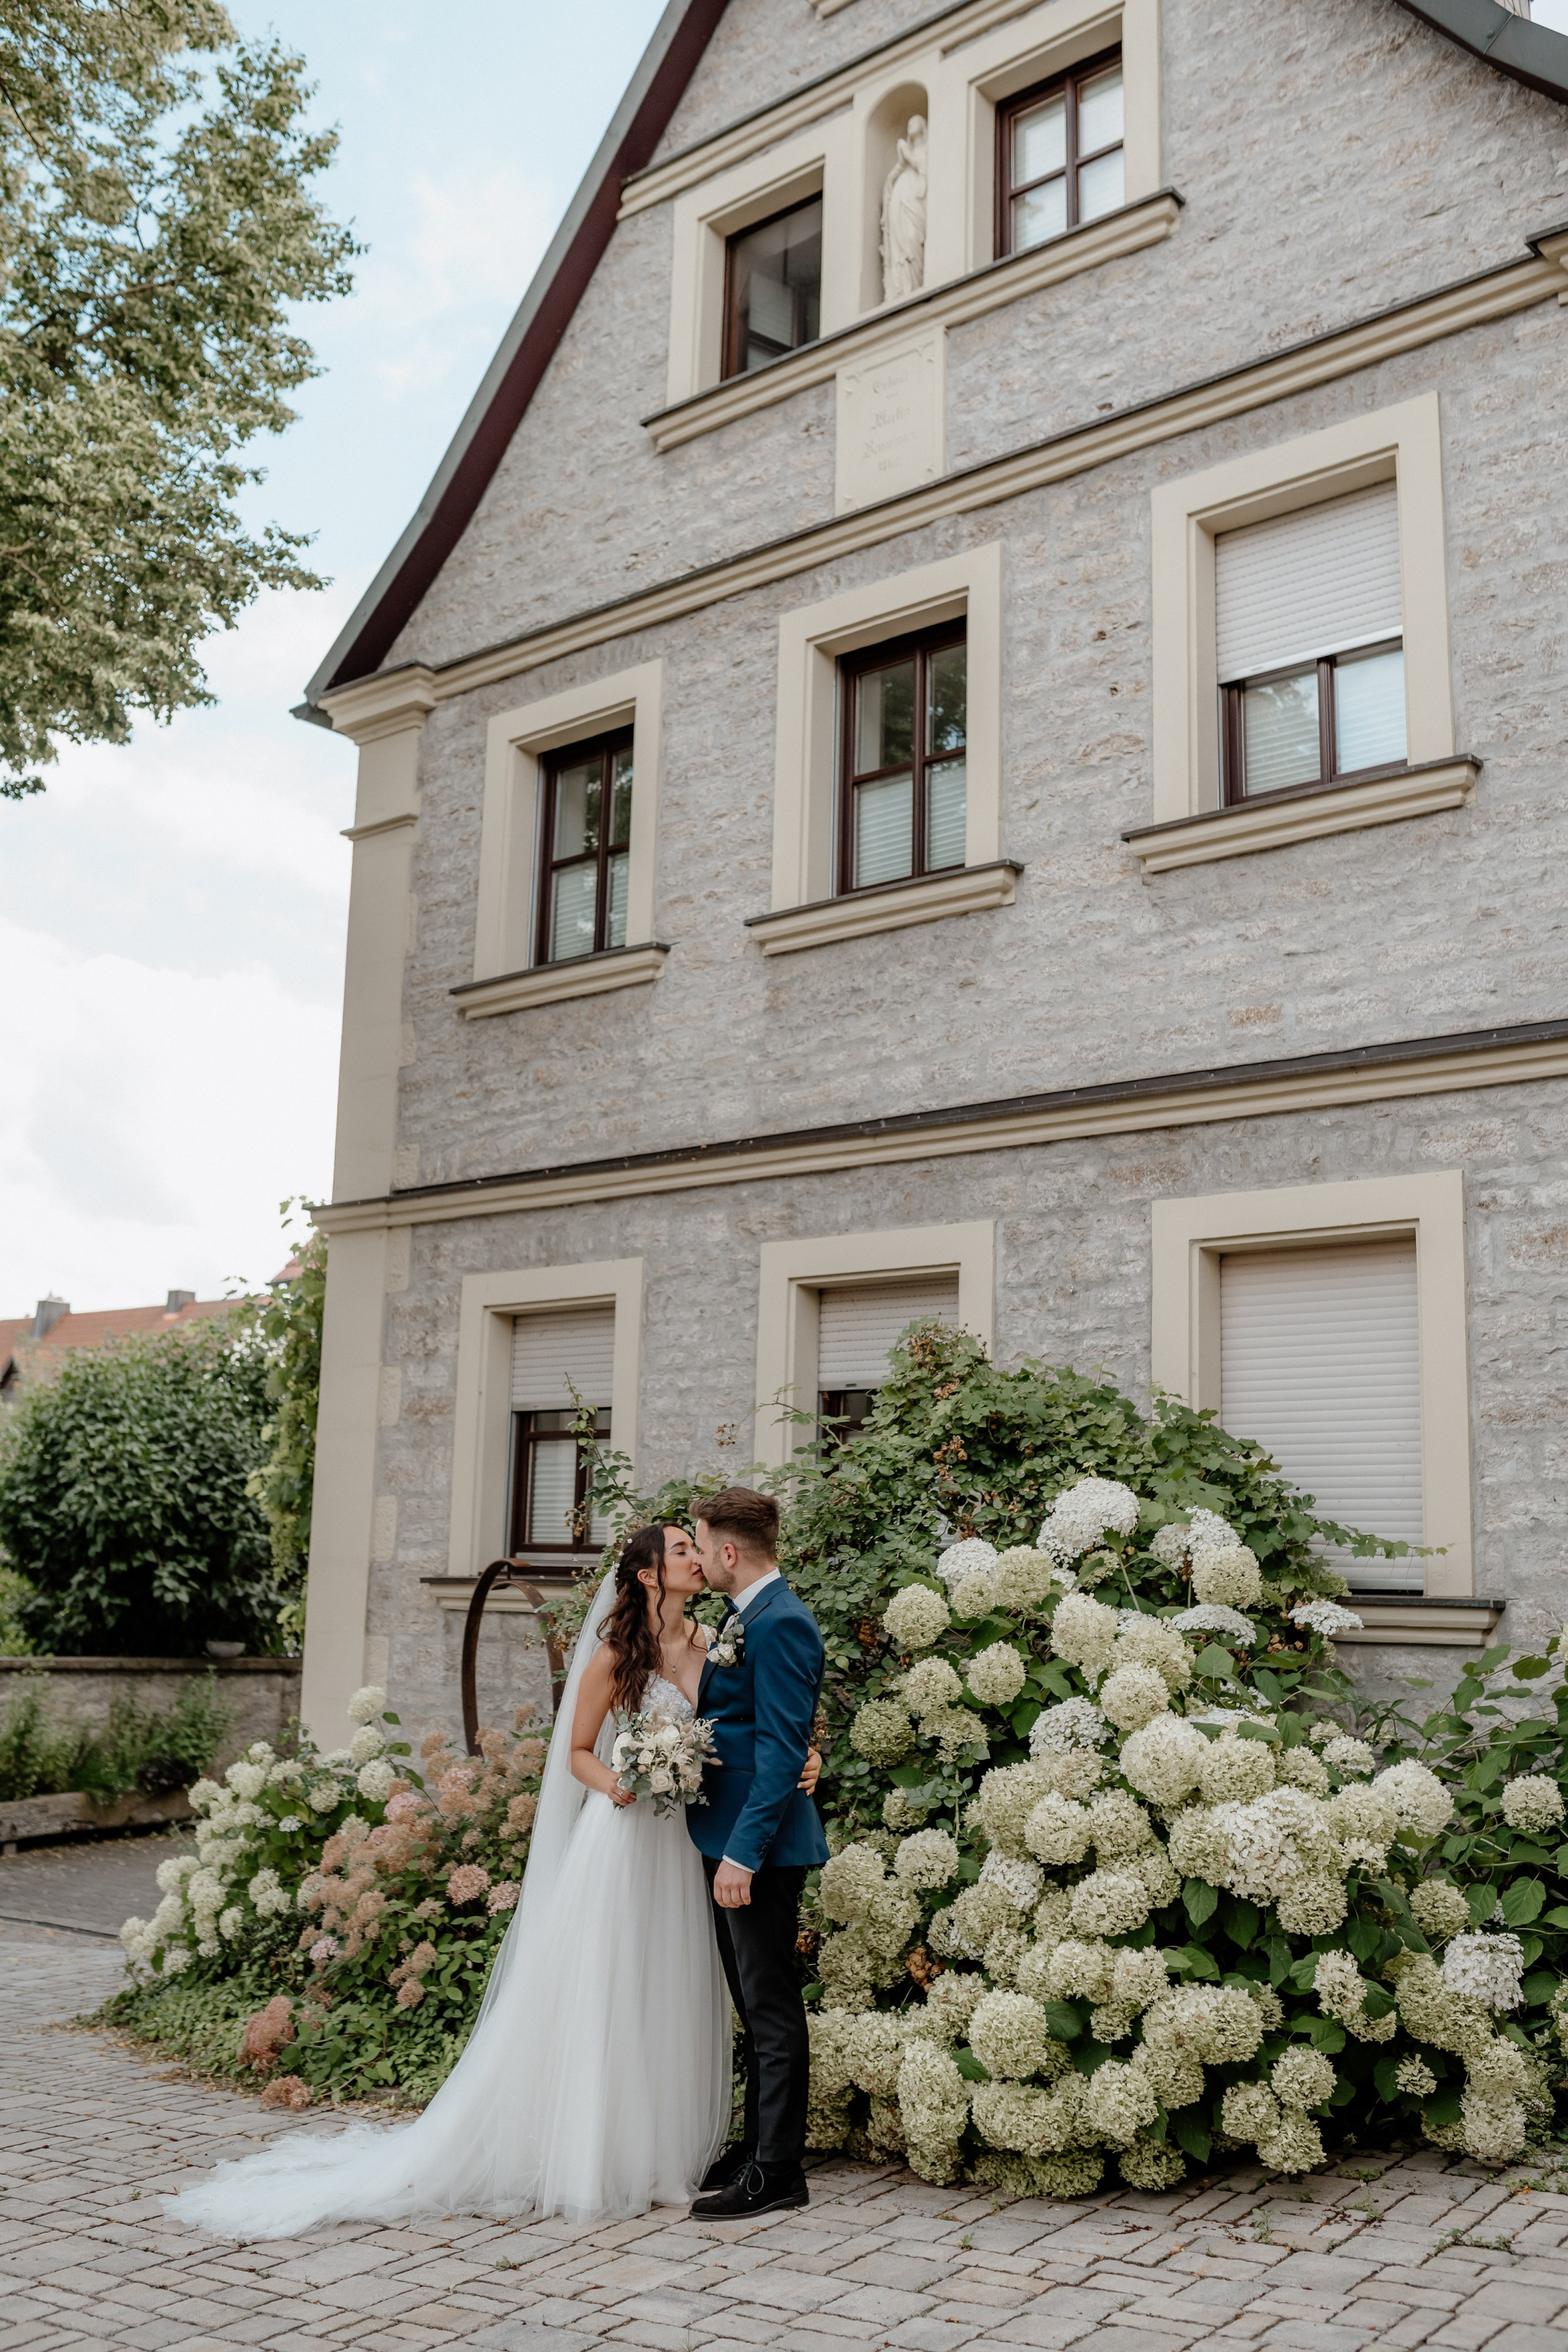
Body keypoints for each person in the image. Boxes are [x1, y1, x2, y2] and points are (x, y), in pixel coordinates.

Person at [165, 1522, 821, 2236]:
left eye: (698, 1547)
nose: (696, 1558)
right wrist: (618, 1782)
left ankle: (696, 2147)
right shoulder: (614, 1654)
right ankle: (605, 2150)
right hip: (628, 1831)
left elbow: (748, 1724)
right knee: (614, 1986)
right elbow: (575, 1751)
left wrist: (801, 1761)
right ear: (646, 1576)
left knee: (677, 1988)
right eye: (682, 1551)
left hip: (693, 1834)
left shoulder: (713, 1640)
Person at [685, 1487, 831, 2220]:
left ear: (729, 1551)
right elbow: (766, 1730)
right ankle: (757, 2145)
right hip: (733, 1837)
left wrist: (743, 1857)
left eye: (701, 1545)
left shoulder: (781, 1623)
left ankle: (778, 2173)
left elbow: (780, 1750)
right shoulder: (747, 1618)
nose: (700, 1558)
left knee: (770, 2008)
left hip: (760, 1850)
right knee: (751, 2003)